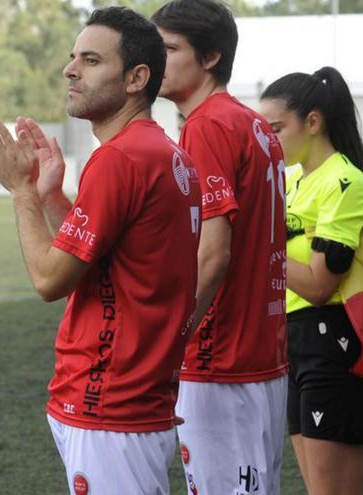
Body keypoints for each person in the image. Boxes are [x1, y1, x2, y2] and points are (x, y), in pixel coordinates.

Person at [0, 7, 201, 494]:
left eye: (91, 60)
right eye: (73, 57)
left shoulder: (121, 159)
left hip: (108, 402)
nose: (70, 69)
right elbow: (107, 259)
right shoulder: (162, 152)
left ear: (136, 78)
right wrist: (50, 198)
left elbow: (49, 279)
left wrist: (19, 192)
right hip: (135, 400)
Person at [152, 1, 288, 493]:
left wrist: (170, 340)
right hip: (260, 354)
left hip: (221, 358)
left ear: (210, 57)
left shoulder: (207, 125)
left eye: (169, 48)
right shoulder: (251, 123)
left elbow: (213, 253)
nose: (155, 59)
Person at [259, 66, 363, 494]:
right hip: (296, 342)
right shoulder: (293, 180)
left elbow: (317, 285)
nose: (269, 141)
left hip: (334, 340)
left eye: (276, 129)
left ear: (313, 122)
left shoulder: (344, 180)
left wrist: (261, 245)